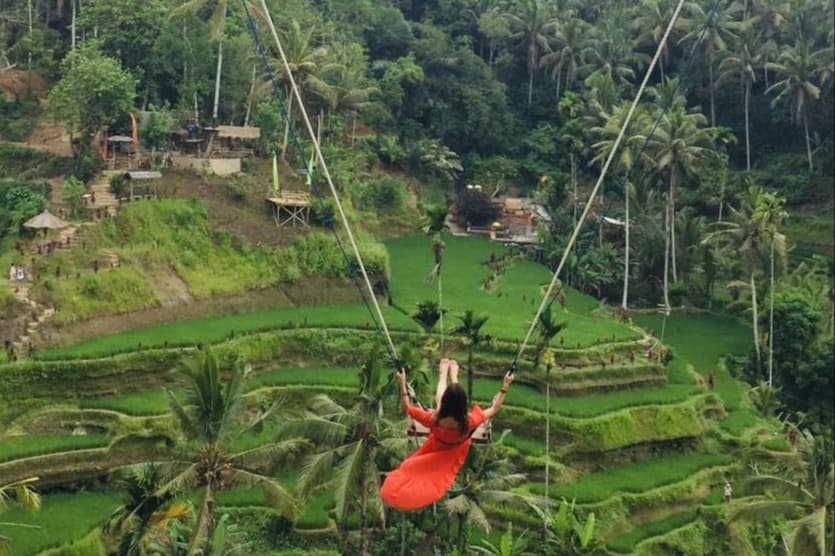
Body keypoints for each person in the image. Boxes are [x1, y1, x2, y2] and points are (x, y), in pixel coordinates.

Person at [380, 358, 514, 511]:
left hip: (434, 449)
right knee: (449, 399)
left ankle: (444, 374)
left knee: (438, 404)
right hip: (452, 454)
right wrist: (505, 385)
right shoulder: (469, 422)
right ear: (464, 405)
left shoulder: (434, 419)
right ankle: (453, 376)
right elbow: (494, 408)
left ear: (445, 403)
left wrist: (402, 382)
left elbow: (407, 406)